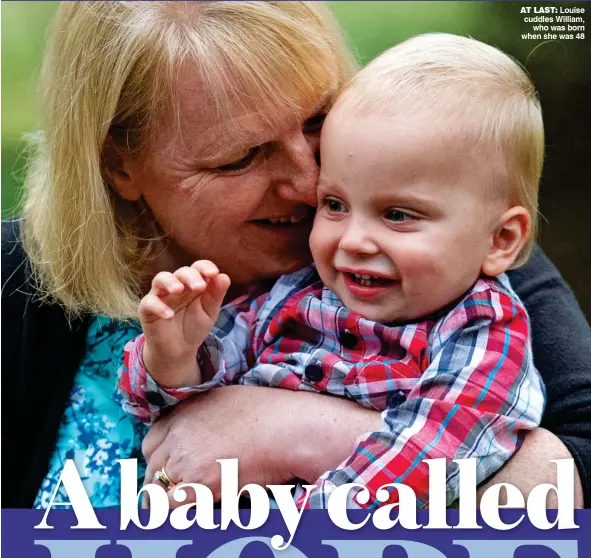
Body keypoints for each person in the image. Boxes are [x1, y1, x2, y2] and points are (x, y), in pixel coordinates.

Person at [1, 2, 589, 509]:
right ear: (120, 165)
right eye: (241, 157)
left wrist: (295, 431)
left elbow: (577, 463)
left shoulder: (440, 255)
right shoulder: (17, 290)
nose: (310, 185)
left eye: (315, 122)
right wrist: (173, 362)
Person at [119, 34, 546, 508]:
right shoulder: (301, 288)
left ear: (501, 240)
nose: (353, 240)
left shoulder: (479, 327)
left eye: (398, 215)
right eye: (335, 204)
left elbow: (440, 454)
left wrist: (311, 521)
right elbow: (173, 412)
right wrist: (174, 357)